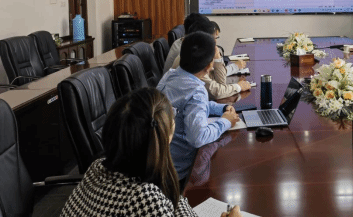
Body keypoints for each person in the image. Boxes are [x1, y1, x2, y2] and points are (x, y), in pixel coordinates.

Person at [60, 87, 225, 216]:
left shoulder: (96, 167)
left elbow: (173, 202)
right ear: (163, 136)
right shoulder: (144, 198)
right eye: (173, 117)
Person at [157, 32, 241, 185]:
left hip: (160, 162)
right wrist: (226, 122)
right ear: (209, 66)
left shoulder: (171, 75)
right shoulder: (196, 90)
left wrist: (222, 108)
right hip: (179, 172)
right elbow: (198, 138)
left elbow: (190, 105)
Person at [171, 19, 251, 99]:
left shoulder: (196, 53)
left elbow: (218, 82)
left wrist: (218, 59)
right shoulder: (193, 59)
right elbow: (217, 92)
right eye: (214, 39)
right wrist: (238, 87)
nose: (215, 43)